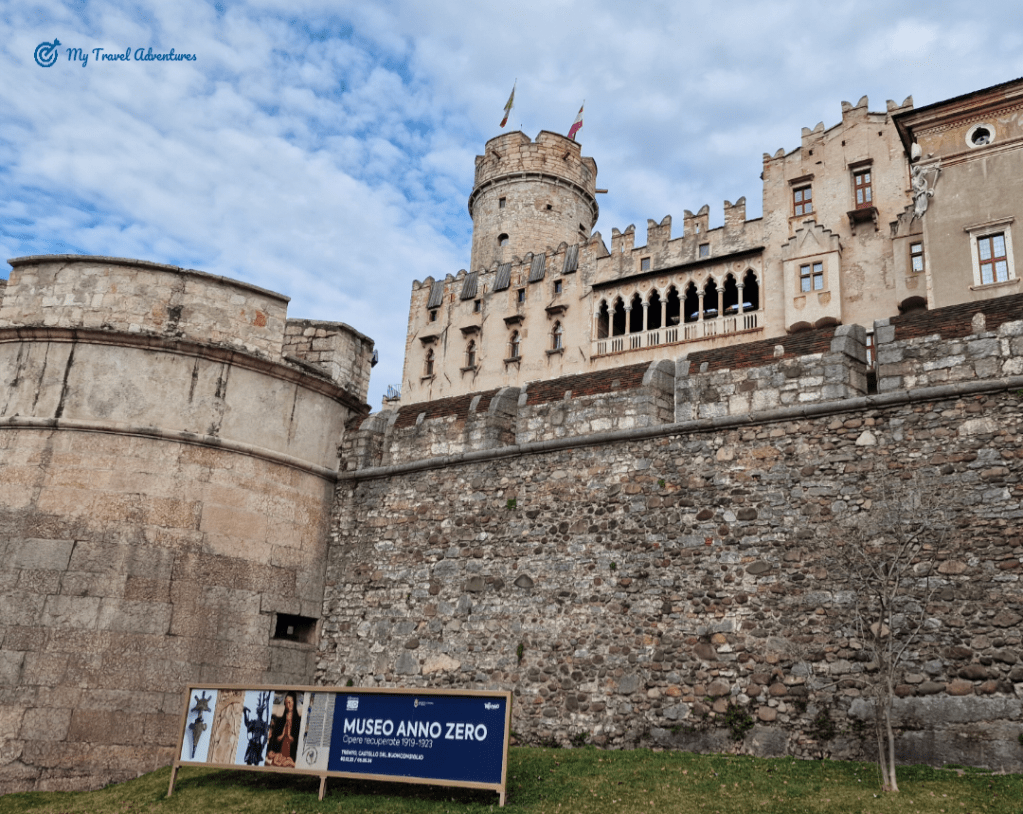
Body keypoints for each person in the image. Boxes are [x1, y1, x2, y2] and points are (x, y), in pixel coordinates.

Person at [265, 691, 302, 768]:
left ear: (294, 702)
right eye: (286, 703)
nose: (289, 705)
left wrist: (289, 736)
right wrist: (282, 736)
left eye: (290, 702)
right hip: (281, 751)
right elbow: (275, 739)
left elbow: (298, 740)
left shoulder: (298, 721)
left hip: (291, 752)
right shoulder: (280, 721)